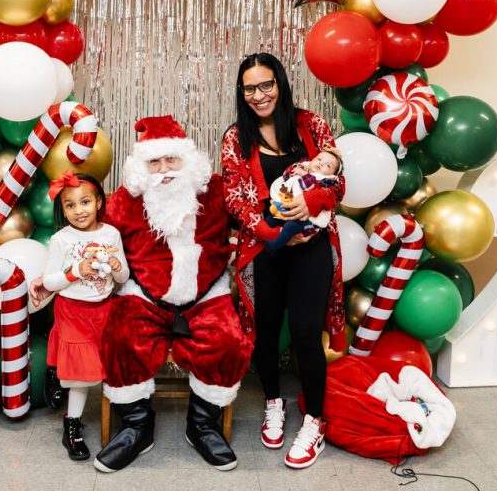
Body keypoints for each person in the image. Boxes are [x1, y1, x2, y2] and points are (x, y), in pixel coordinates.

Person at [93, 115, 253, 473]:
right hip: (144, 294)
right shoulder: (124, 200)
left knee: (228, 341)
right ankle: (137, 426)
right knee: (121, 338)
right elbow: (98, 237)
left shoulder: (216, 190)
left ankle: (202, 426)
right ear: (140, 167)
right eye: (154, 162)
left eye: (172, 160)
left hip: (206, 293)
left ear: (189, 160)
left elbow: (251, 219)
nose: (164, 170)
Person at [220, 53, 346, 470]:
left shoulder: (313, 125)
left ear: (281, 83)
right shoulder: (236, 138)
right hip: (264, 248)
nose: (259, 95)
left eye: (266, 85)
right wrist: (275, 233)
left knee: (308, 332)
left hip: (313, 246)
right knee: (267, 330)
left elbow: (338, 180)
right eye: (250, 88)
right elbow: (235, 200)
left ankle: (315, 422)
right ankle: (274, 402)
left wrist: (309, 202)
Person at [28, 171, 129, 462]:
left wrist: (115, 264)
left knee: (103, 364)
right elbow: (49, 282)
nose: (78, 210)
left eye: (85, 202)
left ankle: (57, 373)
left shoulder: (111, 234)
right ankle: (71, 425)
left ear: (99, 202)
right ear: (63, 209)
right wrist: (75, 272)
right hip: (72, 311)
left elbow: (122, 277)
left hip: (103, 310)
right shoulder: (61, 239)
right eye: (70, 205)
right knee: (82, 375)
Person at [264, 148, 342, 254]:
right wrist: (294, 170)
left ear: (333, 175)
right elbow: (285, 177)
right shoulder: (303, 166)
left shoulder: (325, 181)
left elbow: (307, 184)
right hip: (289, 209)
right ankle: (265, 236)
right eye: (319, 159)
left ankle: (274, 245)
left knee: (290, 226)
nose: (321, 164)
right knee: (271, 219)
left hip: (306, 221)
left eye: (328, 165)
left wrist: (302, 174)